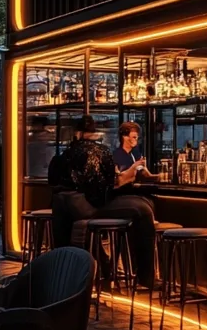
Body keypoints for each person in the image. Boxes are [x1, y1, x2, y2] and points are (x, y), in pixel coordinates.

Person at [51, 118, 156, 288]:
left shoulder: (63, 155)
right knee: (143, 208)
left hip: (63, 208)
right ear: (94, 133)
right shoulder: (101, 152)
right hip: (87, 206)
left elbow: (53, 181)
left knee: (95, 226)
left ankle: (106, 269)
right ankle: (146, 278)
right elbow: (111, 184)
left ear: (76, 134)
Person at [112, 121, 159, 193]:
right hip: (121, 196)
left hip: (135, 193)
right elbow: (119, 181)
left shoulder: (135, 154)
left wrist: (160, 177)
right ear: (125, 137)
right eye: (134, 137)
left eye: (137, 137)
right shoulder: (115, 156)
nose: (136, 140)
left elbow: (146, 175)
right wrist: (134, 167)